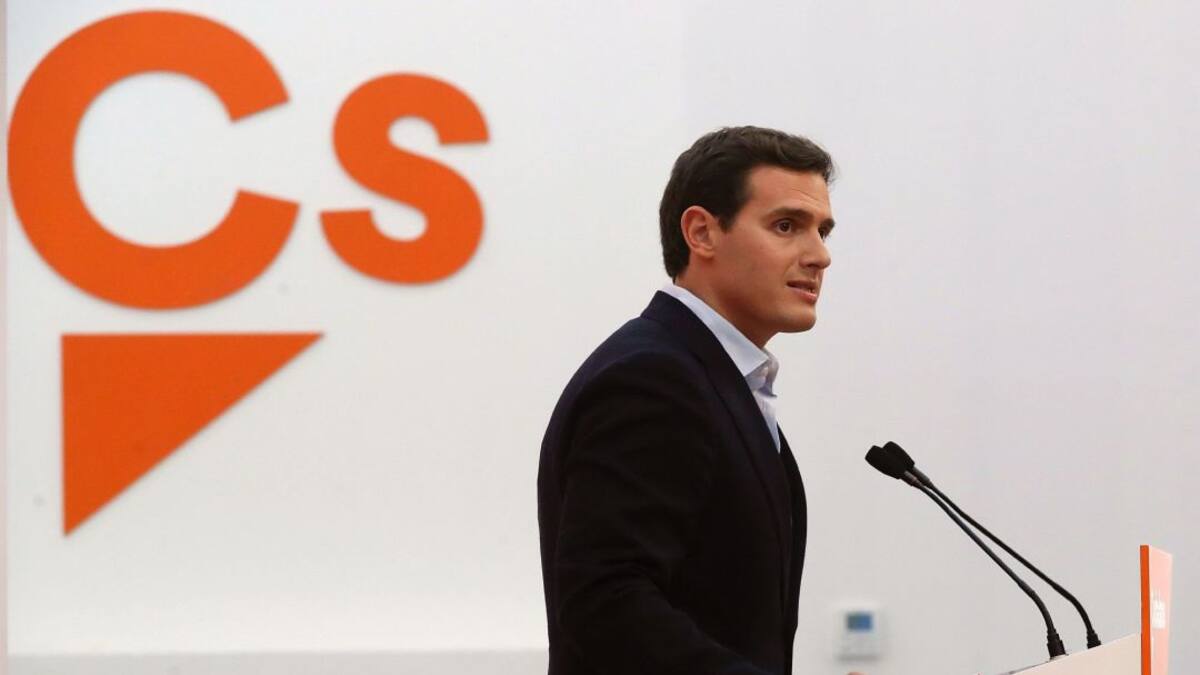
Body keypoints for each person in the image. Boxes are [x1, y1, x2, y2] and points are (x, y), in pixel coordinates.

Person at [537, 126, 838, 675]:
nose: (819, 256)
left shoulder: (711, 375)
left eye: (823, 231)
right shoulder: (654, 378)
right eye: (787, 226)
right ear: (702, 233)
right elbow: (606, 603)